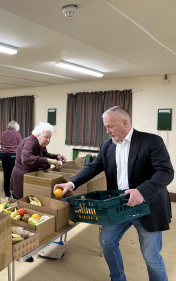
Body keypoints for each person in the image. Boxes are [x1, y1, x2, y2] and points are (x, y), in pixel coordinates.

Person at [55, 106, 174, 281]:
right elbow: (93, 167)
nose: (107, 131)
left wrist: (141, 191)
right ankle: (117, 278)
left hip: (148, 206)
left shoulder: (151, 141)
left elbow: (165, 172)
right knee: (107, 242)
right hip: (118, 207)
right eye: (106, 127)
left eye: (110, 126)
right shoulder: (106, 146)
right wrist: (71, 183)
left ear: (124, 122)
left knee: (151, 256)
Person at [10, 122, 67, 200]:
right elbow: (26, 158)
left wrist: (57, 157)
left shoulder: (39, 144)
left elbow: (45, 155)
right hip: (22, 178)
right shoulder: (29, 142)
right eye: (46, 137)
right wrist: (47, 160)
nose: (48, 141)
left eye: (50, 138)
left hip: (30, 176)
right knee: (22, 201)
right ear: (37, 135)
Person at [0, 120, 22, 197]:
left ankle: (7, 193)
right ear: (15, 127)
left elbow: (2, 144)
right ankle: (15, 194)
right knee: (14, 175)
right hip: (13, 155)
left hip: (4, 155)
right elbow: (21, 145)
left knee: (6, 176)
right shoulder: (17, 134)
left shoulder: (3, 133)